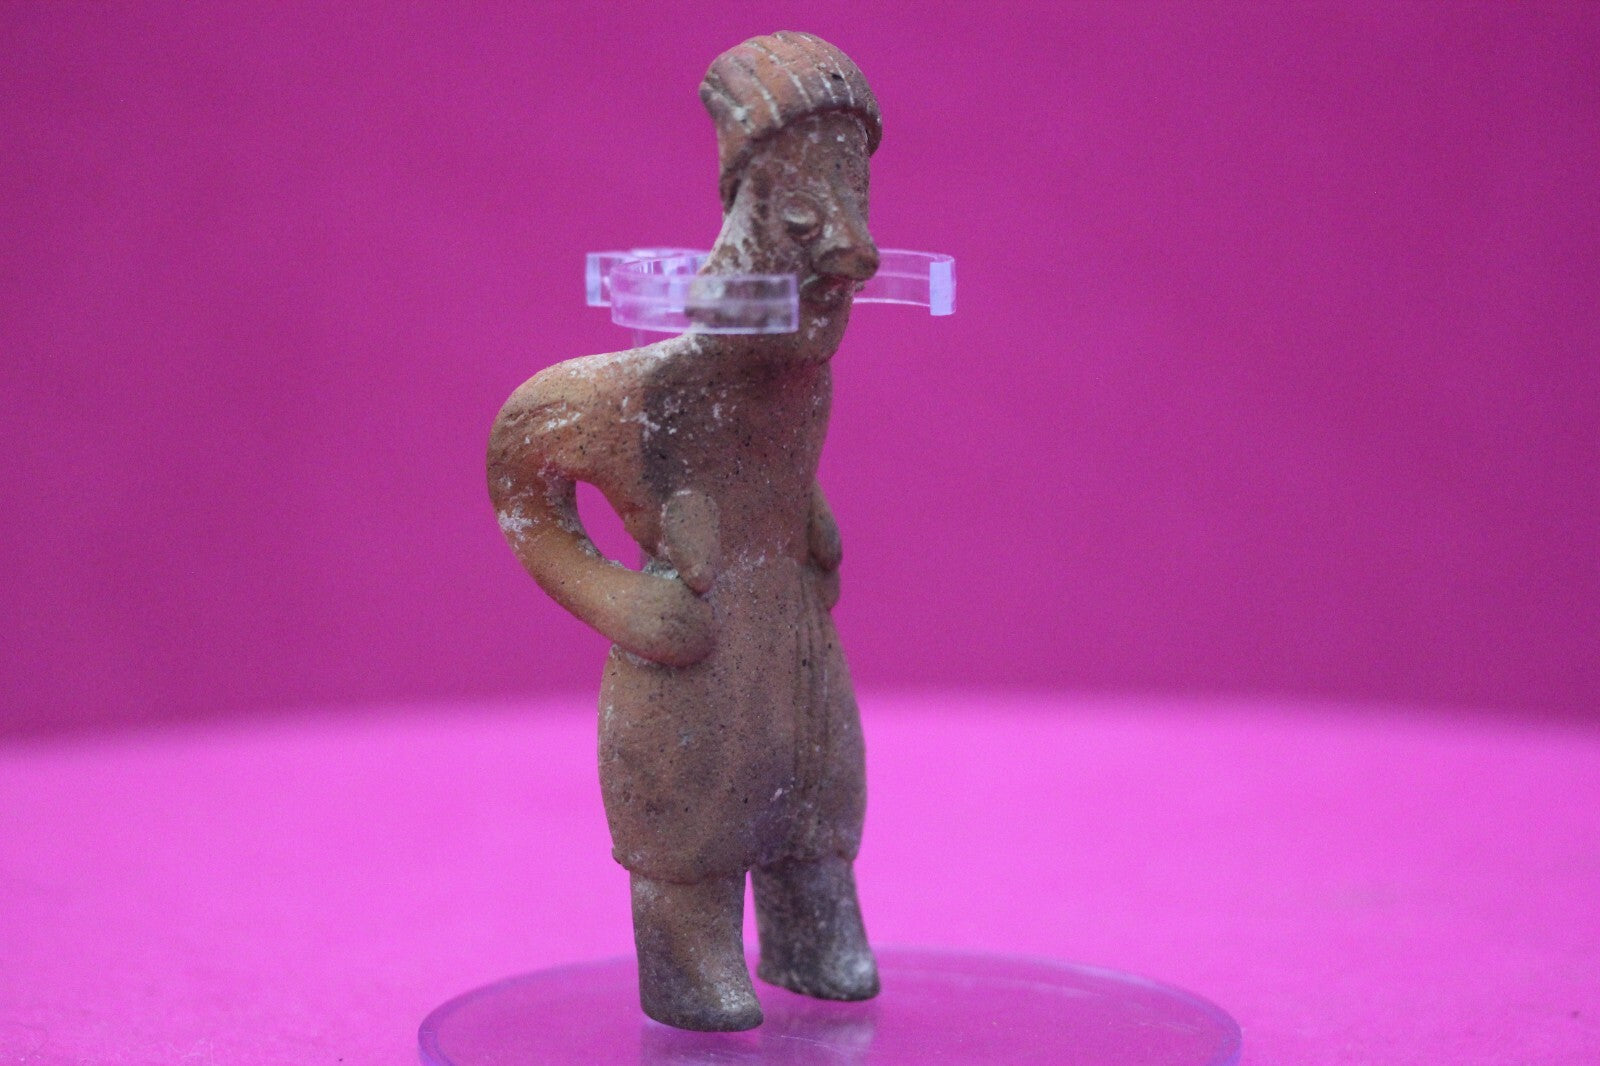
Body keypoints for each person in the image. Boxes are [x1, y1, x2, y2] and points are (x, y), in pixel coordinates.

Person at [487, 31, 882, 1031]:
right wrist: (620, 602)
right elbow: (519, 469)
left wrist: (808, 518)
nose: (857, 249)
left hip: (793, 637)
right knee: (697, 813)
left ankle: (810, 933)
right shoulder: (647, 391)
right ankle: (689, 960)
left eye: (857, 202)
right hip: (697, 650)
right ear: (747, 225)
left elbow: (782, 474)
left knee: (817, 797)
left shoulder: (807, 381)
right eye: (804, 216)